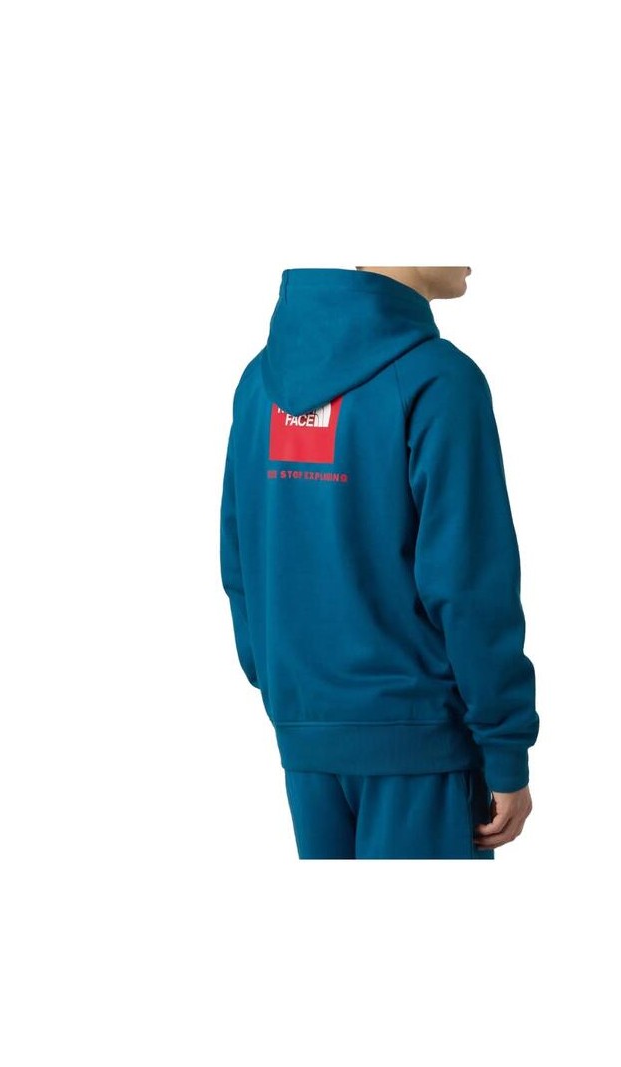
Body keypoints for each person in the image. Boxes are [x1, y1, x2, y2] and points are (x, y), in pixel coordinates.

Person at [220, 266, 539, 859]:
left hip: (306, 735)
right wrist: (505, 745)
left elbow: (239, 559)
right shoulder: (440, 381)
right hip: (421, 742)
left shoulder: (259, 384)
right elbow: (470, 584)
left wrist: (299, 696)